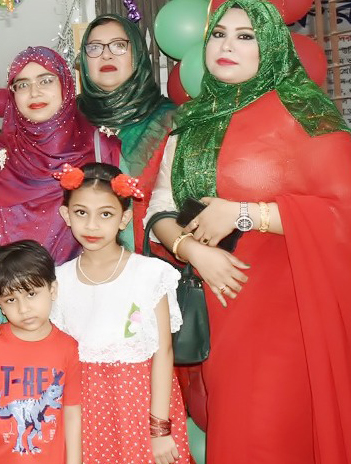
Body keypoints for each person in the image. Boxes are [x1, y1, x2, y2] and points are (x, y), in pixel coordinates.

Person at [145, 0, 351, 462]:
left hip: (290, 313)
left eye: (245, 36)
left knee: (267, 434)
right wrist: (191, 249)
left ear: (272, 45)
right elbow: (159, 209)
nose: (227, 46)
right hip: (217, 315)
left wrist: (245, 215)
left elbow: (343, 210)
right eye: (219, 35)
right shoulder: (190, 123)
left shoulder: (307, 115)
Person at [0, 46, 116, 365]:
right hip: (19, 315)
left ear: (65, 85)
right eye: (22, 84)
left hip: (92, 309)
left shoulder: (101, 146)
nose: (34, 92)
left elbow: (123, 237)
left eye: (46, 80)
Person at [53, 163, 190, 463]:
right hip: (85, 411)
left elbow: (163, 352)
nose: (92, 226)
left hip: (141, 408)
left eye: (105, 214)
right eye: (81, 213)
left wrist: (159, 429)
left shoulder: (149, 274)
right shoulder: (59, 281)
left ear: (124, 218)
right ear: (66, 215)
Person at [0, 240, 82, 464]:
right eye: (11, 300)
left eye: (31, 294)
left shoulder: (68, 348)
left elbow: (72, 412)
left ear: (52, 290)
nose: (24, 309)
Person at [76, 14, 176, 250]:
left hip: (151, 259)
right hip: (80, 260)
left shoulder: (169, 120)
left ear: (138, 55)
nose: (106, 55)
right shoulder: (68, 120)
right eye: (94, 47)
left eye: (119, 45)